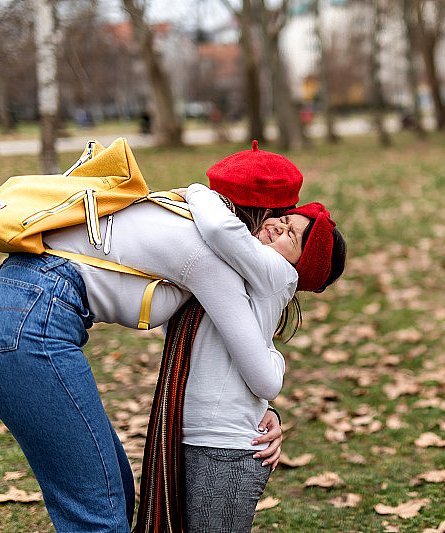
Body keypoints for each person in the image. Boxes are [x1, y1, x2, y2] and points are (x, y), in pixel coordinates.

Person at [0, 145, 304, 532]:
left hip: (5, 315)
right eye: (280, 220)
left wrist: (265, 413)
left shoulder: (184, 209)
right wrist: (264, 409)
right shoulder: (209, 256)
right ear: (260, 216)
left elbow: (212, 347)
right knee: (99, 513)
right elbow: (261, 373)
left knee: (113, 493)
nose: (278, 233)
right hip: (29, 328)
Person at [134, 142, 346, 533]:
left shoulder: (274, 271)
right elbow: (175, 328)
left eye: (293, 236)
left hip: (226, 446)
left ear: (299, 265)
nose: (281, 226)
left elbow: (219, 227)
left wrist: (199, 192)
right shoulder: (240, 272)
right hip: (194, 431)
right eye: (286, 218)